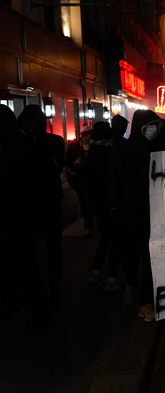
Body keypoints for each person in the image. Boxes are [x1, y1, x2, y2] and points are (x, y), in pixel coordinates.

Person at [107, 110, 165, 322]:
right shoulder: (123, 150)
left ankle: (146, 301)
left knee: (152, 259)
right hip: (129, 214)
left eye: (158, 125)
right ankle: (131, 281)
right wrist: (115, 210)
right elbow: (113, 181)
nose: (155, 129)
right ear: (141, 126)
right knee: (131, 255)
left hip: (155, 214)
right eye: (151, 125)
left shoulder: (159, 148)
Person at [0, 104, 51, 325]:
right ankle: (33, 307)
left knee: (22, 265)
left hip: (17, 217)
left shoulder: (14, 148)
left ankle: (33, 309)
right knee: (25, 263)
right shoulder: (28, 144)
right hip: (29, 215)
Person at [18, 105, 65, 306]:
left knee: (51, 248)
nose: (29, 125)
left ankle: (53, 286)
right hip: (39, 203)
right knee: (41, 249)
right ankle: (48, 286)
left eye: (32, 121)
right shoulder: (51, 141)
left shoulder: (47, 143)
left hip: (43, 202)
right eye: (26, 121)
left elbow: (56, 167)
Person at [84, 122, 122, 291]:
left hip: (97, 203)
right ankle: (111, 279)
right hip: (111, 203)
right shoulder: (111, 152)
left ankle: (95, 271)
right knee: (114, 239)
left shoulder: (91, 153)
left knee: (106, 236)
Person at [65, 125, 94, 235]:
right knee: (83, 202)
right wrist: (74, 163)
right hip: (78, 178)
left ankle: (89, 225)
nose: (90, 137)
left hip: (90, 178)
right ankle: (88, 225)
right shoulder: (74, 145)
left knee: (89, 201)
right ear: (84, 136)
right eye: (89, 135)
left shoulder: (93, 146)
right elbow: (66, 161)